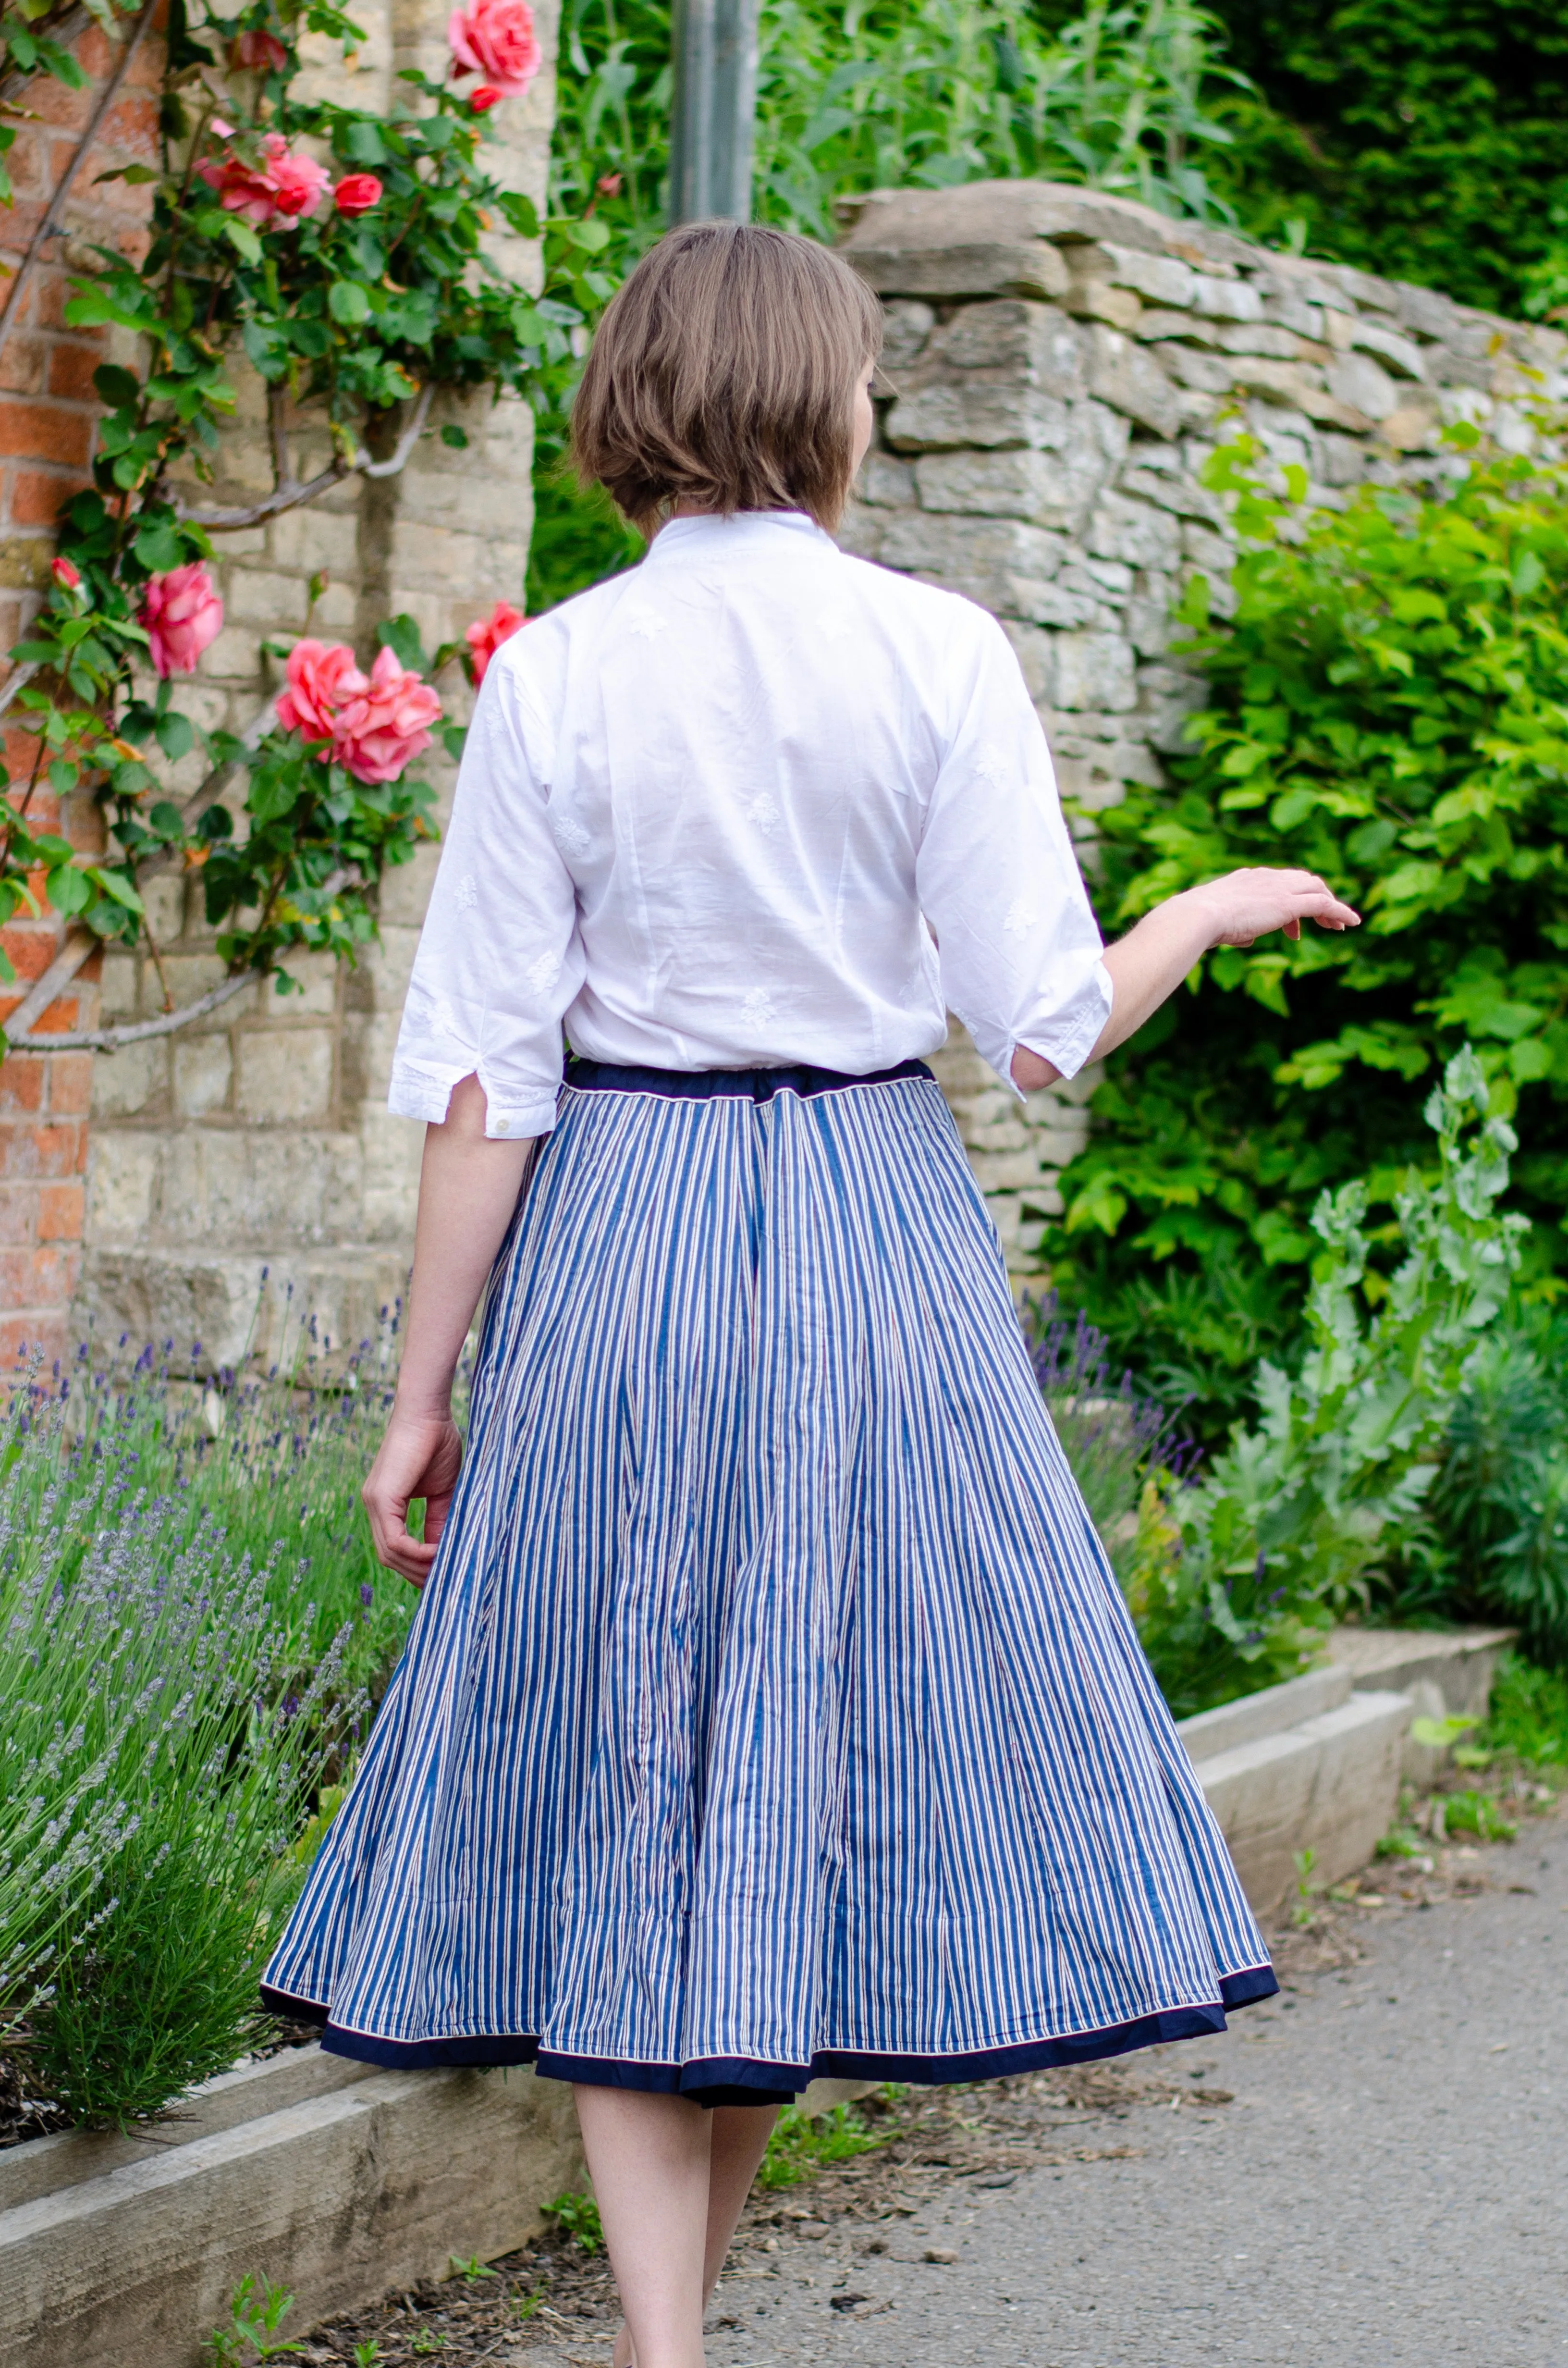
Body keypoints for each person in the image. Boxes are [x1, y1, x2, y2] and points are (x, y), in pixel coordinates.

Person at [260, 221, 1360, 2368]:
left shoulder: (556, 668)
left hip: (627, 1240)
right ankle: (675, 2346)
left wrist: (422, 1384)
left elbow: (492, 1065)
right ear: (816, 398)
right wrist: (1208, 910)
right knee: (777, 1766)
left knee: (627, 1764)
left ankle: (668, 2353)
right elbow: (1037, 1026)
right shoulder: (936, 652)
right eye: (864, 377)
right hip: (870, 1234)